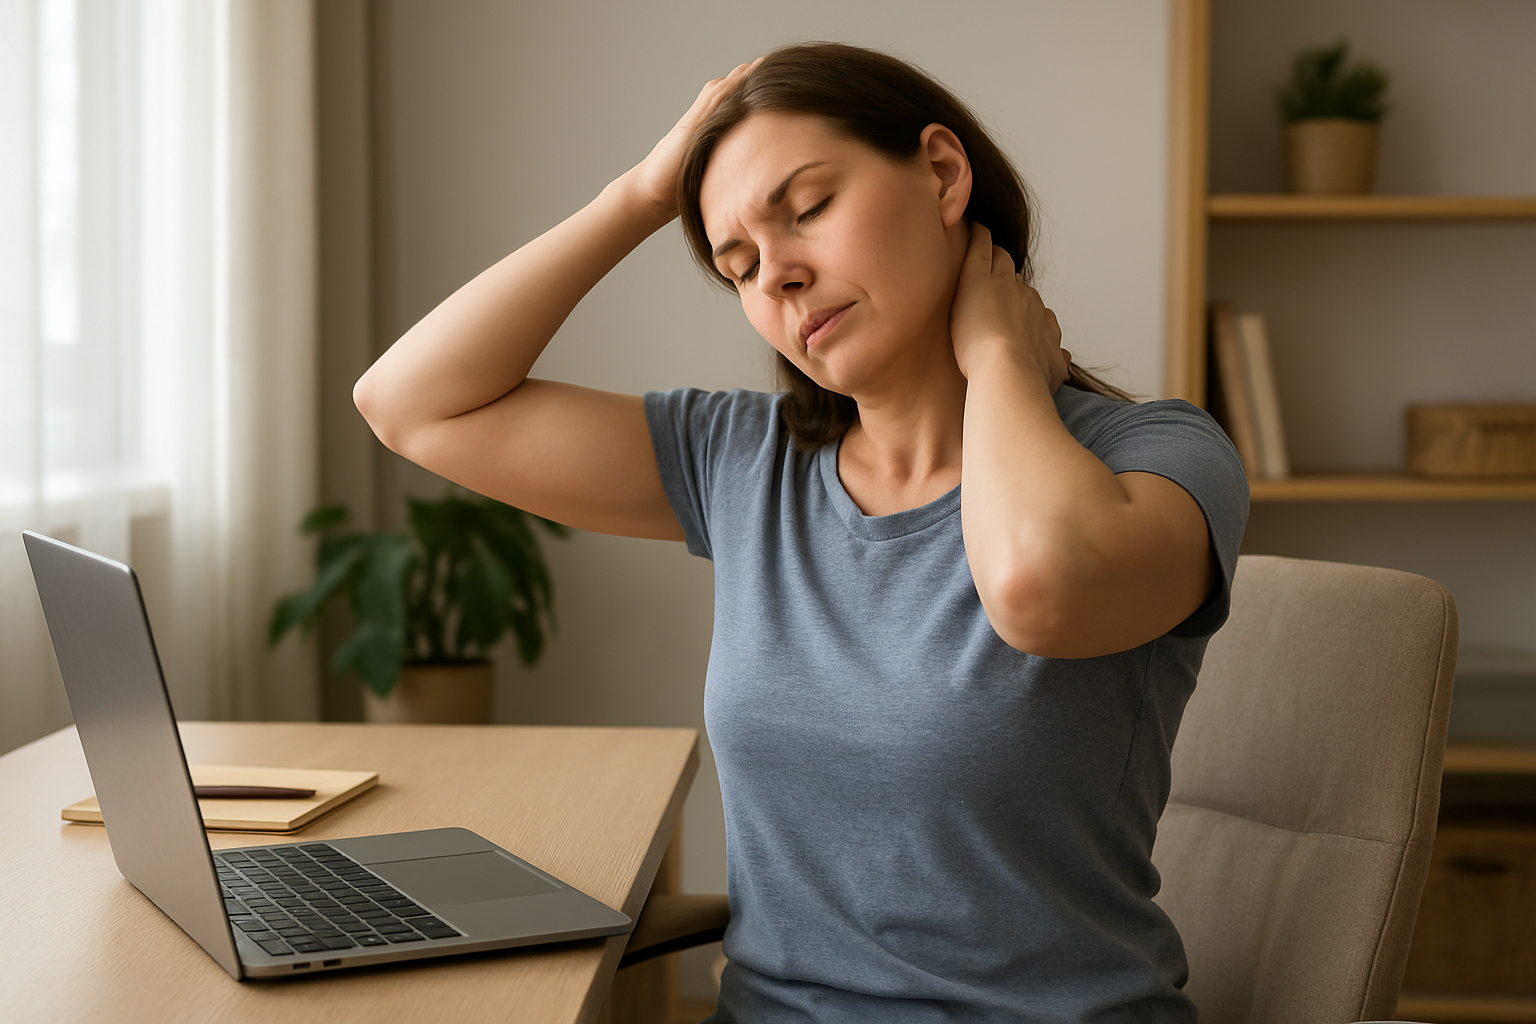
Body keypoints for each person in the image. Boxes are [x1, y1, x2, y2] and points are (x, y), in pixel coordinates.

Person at [355, 41, 1248, 1024]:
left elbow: (1039, 588)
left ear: (944, 174)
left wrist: (998, 355)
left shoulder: (1157, 454)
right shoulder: (745, 461)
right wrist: (642, 195)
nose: (776, 273)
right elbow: (410, 407)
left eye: (808, 208)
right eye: (737, 264)